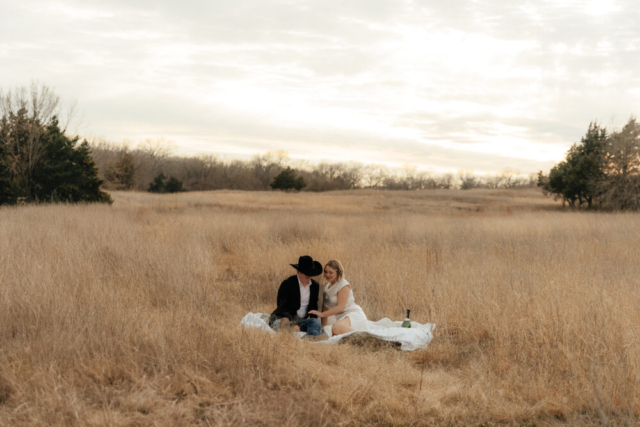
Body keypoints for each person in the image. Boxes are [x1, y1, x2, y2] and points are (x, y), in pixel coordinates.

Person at [308, 259, 368, 336]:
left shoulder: (343, 284)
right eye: (325, 272)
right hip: (342, 318)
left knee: (336, 328)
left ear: (338, 272)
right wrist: (323, 329)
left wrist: (322, 314)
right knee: (330, 332)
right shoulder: (327, 287)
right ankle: (356, 337)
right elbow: (325, 308)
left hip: (353, 314)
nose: (327, 275)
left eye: (331, 272)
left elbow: (340, 308)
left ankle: (363, 338)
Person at [269, 255, 323, 336]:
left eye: (311, 276)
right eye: (307, 276)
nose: (309, 279)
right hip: (285, 318)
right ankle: (290, 332)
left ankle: (311, 338)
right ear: (299, 272)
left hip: (302, 321)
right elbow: (281, 306)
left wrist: (312, 321)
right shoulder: (287, 284)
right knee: (285, 322)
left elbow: (313, 307)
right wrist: (292, 323)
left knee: (316, 322)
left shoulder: (315, 286)